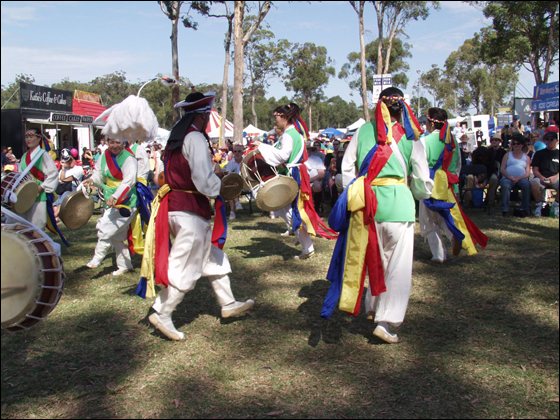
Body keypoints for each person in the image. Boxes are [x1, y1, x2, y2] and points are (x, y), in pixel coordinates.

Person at [137, 91, 254, 341]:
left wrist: (213, 179)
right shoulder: (195, 139)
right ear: (202, 116)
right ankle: (163, 312)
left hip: (176, 207)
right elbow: (202, 180)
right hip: (190, 211)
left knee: (213, 258)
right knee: (186, 265)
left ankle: (228, 303)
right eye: (208, 115)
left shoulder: (174, 140)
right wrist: (219, 186)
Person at [321, 87, 434, 344]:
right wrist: (419, 192)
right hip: (400, 206)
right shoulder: (411, 135)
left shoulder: (363, 131)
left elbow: (346, 168)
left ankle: (373, 307)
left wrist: (356, 192)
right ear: (401, 107)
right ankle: (386, 321)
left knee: (375, 257)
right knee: (397, 266)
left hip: (367, 205)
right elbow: (421, 178)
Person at [252, 103, 337, 260]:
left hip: (293, 175)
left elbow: (283, 155)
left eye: (276, 117)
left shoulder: (288, 135)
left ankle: (307, 247)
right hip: (296, 173)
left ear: (284, 117)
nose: (275, 121)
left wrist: (262, 147)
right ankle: (302, 239)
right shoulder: (294, 133)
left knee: (292, 211)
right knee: (284, 208)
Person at [82, 137, 138, 275]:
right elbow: (99, 175)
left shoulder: (129, 159)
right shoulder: (104, 156)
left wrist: (115, 196)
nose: (114, 145)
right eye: (111, 142)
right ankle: (125, 265)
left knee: (105, 228)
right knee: (116, 236)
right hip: (110, 199)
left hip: (126, 201)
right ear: (107, 142)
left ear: (123, 142)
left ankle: (97, 258)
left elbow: (129, 182)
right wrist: (91, 180)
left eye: (118, 142)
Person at [418, 108, 462, 263]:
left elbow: (420, 166)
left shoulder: (424, 141)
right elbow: (458, 166)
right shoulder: (453, 141)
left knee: (428, 220)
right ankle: (452, 235)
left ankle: (438, 255)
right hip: (449, 187)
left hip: (430, 186)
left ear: (430, 123)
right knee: (444, 215)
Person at [17, 129, 60, 233]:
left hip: (38, 193)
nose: (28, 139)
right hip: (25, 193)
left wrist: (41, 187)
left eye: (31, 136)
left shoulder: (43, 155)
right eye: (26, 136)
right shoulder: (24, 156)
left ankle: (37, 246)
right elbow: (19, 174)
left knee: (37, 223)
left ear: (39, 138)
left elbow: (53, 173)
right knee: (22, 222)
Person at [499, 134, 532, 217]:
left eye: (518, 144)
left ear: (522, 145)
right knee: (505, 185)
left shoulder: (526, 157)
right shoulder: (507, 155)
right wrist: (510, 177)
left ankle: (525, 208)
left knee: (527, 185)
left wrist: (519, 178)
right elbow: (502, 169)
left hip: (521, 178)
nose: (516, 145)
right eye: (514, 144)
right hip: (507, 178)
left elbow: (527, 173)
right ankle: (505, 209)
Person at [531, 131, 559, 217]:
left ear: (557, 141)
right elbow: (535, 169)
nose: (549, 141)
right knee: (534, 184)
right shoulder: (539, 153)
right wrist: (541, 177)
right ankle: (539, 206)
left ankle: (556, 206)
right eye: (547, 139)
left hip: (555, 177)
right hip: (541, 176)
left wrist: (553, 178)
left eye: (552, 139)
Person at [53, 148, 84, 218]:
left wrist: (63, 171)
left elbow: (63, 179)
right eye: (67, 161)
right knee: (56, 196)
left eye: (70, 160)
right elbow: (60, 179)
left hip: (72, 189)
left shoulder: (78, 169)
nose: (69, 162)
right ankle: (56, 215)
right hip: (62, 188)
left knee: (65, 195)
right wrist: (63, 168)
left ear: (72, 158)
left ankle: (55, 215)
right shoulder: (63, 170)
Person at [223, 143, 245, 220]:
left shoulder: (246, 162)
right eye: (235, 151)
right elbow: (229, 176)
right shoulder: (230, 163)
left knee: (232, 187)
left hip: (245, 184)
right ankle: (234, 208)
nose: (237, 153)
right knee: (230, 187)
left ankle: (234, 208)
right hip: (234, 185)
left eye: (239, 151)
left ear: (242, 152)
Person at [305, 144, 326, 216]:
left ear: (310, 150)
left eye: (307, 149)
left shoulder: (317, 159)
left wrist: (309, 180)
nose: (305, 151)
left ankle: (316, 209)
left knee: (317, 185)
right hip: (302, 182)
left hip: (313, 182)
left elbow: (321, 174)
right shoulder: (299, 160)